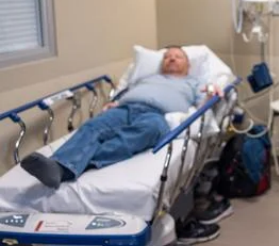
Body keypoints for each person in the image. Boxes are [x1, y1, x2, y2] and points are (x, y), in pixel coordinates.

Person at [20, 46, 220, 190]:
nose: (172, 59)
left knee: (149, 130)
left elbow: (201, 109)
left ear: (188, 64)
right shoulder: (146, 78)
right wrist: (114, 102)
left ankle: (70, 166)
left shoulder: (195, 82)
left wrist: (212, 95)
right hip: (124, 109)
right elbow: (124, 92)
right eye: (167, 56)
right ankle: (57, 167)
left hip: (156, 115)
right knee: (92, 127)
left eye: (178, 56)